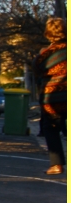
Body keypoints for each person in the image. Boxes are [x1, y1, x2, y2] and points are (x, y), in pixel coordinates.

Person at [34, 17, 67, 175]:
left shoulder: (43, 55)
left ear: (48, 34)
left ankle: (57, 164)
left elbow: (38, 76)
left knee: (51, 127)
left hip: (53, 98)